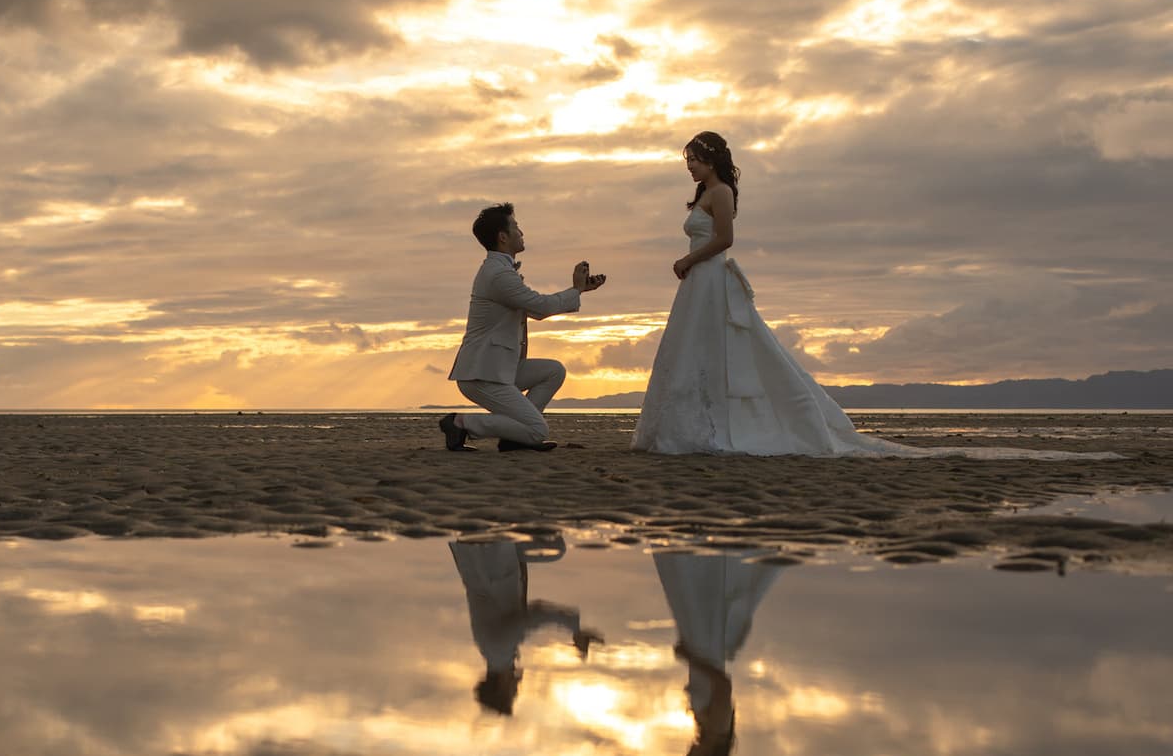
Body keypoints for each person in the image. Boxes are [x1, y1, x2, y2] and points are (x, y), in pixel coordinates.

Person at [631, 133, 1119, 460]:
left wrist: (687, 261)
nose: (689, 168)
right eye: (687, 162)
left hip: (710, 276)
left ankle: (728, 428)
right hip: (696, 282)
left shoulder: (721, 195)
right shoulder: (699, 195)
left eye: (693, 160)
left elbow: (725, 241)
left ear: (711, 159)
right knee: (690, 352)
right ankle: (686, 429)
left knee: (727, 350)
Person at [441, 203, 606, 453]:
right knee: (538, 430)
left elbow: (533, 308)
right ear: (503, 237)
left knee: (553, 371)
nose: (522, 233)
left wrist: (579, 290)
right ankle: (461, 423)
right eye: (516, 228)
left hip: (500, 367)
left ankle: (515, 438)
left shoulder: (502, 271)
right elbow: (539, 306)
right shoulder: (498, 274)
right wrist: (575, 289)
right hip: (482, 373)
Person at [654, 549, 783, 756]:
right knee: (702, 594)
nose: (690, 749)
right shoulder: (720, 728)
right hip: (704, 647)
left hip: (700, 643)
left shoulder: (706, 727)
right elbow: (723, 685)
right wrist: (692, 659)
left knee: (691, 591)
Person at [448, 534, 602, 715]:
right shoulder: (493, 652)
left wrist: (574, 627)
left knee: (555, 548)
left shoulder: (499, 651)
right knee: (554, 550)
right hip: (488, 554)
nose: (518, 687)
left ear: (502, 688)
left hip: (488, 549)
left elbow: (536, 615)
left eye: (513, 693)